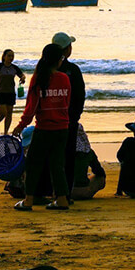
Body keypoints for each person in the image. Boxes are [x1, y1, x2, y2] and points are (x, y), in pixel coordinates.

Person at [11, 43, 71, 211]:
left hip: (44, 128)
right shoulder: (64, 78)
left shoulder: (39, 78)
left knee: (33, 165)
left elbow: (32, 107)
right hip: (62, 129)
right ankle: (62, 199)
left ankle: (28, 200)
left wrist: (21, 125)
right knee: (57, 165)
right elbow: (66, 103)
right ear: (58, 60)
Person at [52, 32, 85, 201]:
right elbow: (80, 96)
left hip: (49, 121)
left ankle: (53, 191)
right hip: (68, 121)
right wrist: (75, 117)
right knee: (68, 159)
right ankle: (66, 194)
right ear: (66, 50)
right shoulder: (73, 70)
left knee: (52, 158)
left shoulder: (45, 70)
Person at [71, 123, 107, 200]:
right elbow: (100, 172)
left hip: (60, 193)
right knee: (100, 178)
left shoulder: (59, 150)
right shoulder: (88, 152)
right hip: (82, 192)